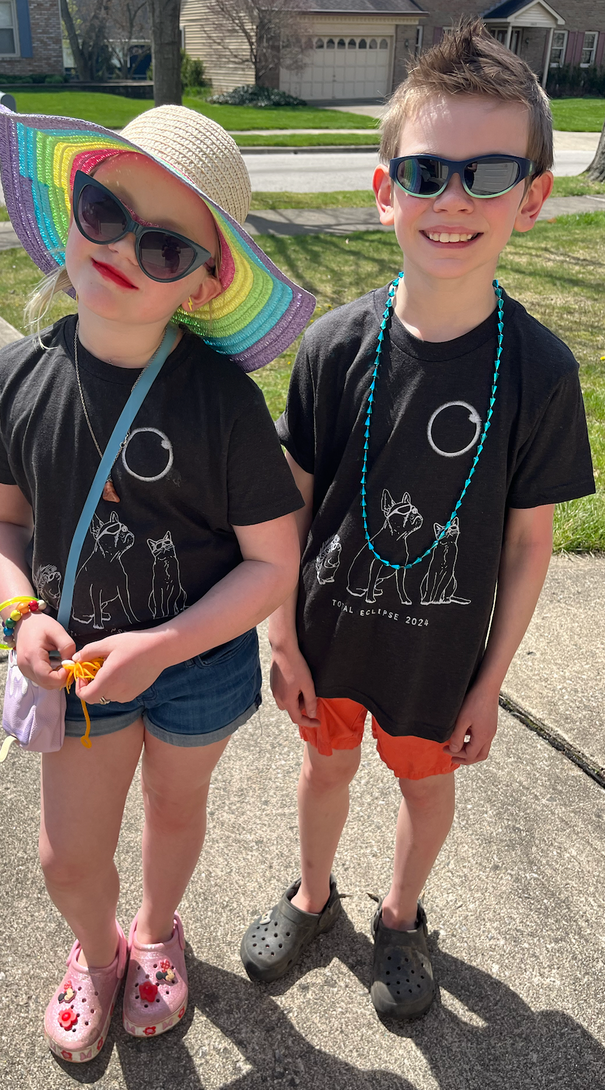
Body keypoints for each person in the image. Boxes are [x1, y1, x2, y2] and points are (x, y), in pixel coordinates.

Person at [239, 21, 595, 1020]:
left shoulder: (539, 372)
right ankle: (314, 898)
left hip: (442, 660)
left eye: (489, 173)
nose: (454, 200)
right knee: (325, 770)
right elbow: (288, 506)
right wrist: (281, 636)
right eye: (428, 171)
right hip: (327, 637)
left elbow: (530, 545)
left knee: (426, 788)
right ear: (385, 186)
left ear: (533, 197)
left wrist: (491, 681)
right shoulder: (334, 344)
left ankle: (401, 917)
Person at [0, 102, 314, 1061]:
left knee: (174, 807)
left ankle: (157, 932)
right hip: (73, 666)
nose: (120, 248)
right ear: (71, 206)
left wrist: (161, 648)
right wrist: (18, 611)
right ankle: (96, 949)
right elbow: (1, 521)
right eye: (103, 209)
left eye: (165, 248)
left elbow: (272, 562)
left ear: (203, 286)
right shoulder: (14, 378)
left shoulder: (224, 403)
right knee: (67, 855)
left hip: (195, 664)